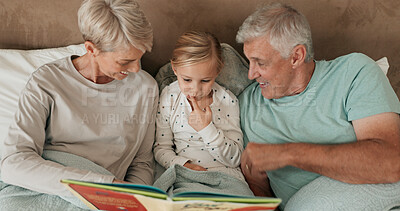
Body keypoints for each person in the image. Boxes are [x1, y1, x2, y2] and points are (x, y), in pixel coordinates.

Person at [236, 2, 400, 209]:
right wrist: (255, 183)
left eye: (260, 63)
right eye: (248, 61)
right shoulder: (246, 107)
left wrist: (287, 154)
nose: (251, 74)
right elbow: (262, 196)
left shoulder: (353, 73)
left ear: (296, 56)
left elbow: (389, 163)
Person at [0, 0, 158, 197]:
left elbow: (141, 163)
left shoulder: (145, 88)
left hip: (109, 200)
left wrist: (134, 198)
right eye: (125, 61)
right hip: (50, 190)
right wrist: (102, 186)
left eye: (140, 57)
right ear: (91, 49)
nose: (136, 69)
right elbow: (13, 163)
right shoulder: (47, 81)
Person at [153, 31, 247, 183]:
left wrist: (207, 129)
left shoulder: (227, 101)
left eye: (205, 80)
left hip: (226, 177)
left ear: (217, 71)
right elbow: (161, 149)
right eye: (187, 80)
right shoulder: (170, 97)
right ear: (175, 69)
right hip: (186, 176)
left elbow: (235, 159)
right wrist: (184, 166)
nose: (195, 90)